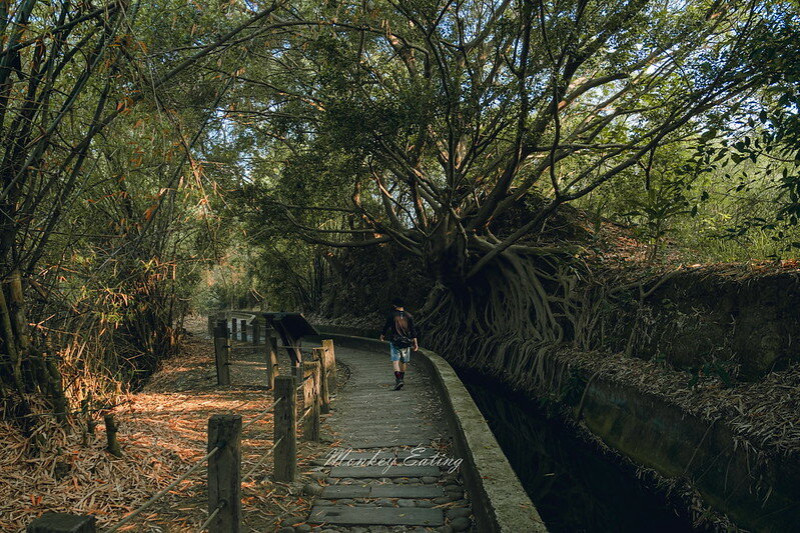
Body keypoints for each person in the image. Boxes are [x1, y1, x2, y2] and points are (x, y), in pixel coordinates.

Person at [379, 298, 419, 390]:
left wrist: (382, 335)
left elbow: (386, 326)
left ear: (394, 305)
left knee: (395, 361)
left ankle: (398, 379)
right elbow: (413, 330)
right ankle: (402, 378)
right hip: (406, 341)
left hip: (395, 341)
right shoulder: (409, 316)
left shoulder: (392, 315)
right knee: (403, 361)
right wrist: (415, 343)